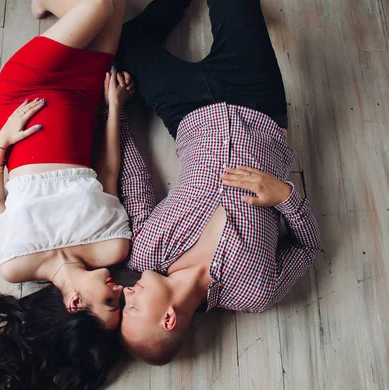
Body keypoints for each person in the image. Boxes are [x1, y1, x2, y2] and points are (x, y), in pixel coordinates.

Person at [0, 0, 139, 390]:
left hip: (22, 95)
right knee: (117, 6)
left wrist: (1, 141)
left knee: (100, 4)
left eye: (111, 304)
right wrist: (114, 107)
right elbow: (109, 172)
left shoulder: (14, 263)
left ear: (75, 303)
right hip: (83, 97)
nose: (120, 290)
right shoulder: (112, 248)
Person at [114, 0, 322, 365]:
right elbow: (309, 248)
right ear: (169, 319)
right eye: (132, 307)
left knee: (125, 42)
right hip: (259, 104)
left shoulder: (146, 253)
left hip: (186, 112)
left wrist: (114, 112)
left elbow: (135, 182)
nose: (128, 292)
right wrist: (285, 196)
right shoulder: (255, 292)